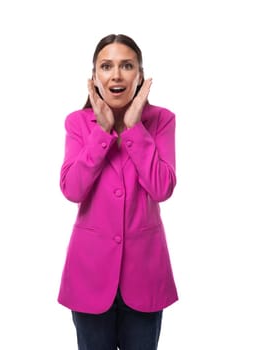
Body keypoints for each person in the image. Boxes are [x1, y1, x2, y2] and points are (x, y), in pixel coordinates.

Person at [57, 33, 178, 350]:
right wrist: (101, 131)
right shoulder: (78, 123)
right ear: (94, 76)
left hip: (146, 275)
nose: (116, 75)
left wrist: (136, 128)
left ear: (140, 75)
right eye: (106, 66)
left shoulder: (161, 120)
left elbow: (162, 187)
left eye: (127, 65)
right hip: (89, 275)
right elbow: (72, 189)